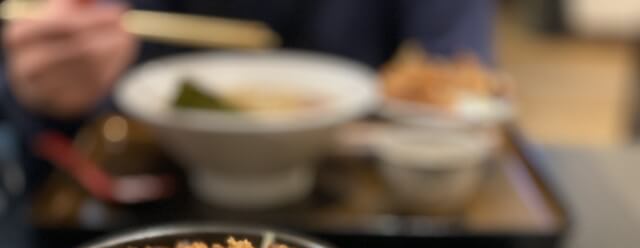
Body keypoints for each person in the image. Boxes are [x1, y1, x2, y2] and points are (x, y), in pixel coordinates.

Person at [0, 0, 495, 173]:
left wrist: (448, 96)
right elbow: (47, 98)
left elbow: (460, 75)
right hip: (150, 192)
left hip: (362, 187)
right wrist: (42, 87)